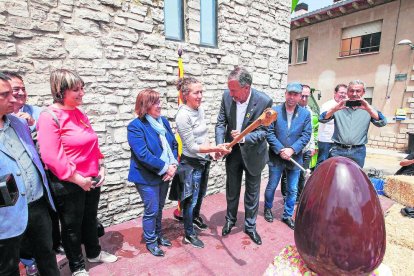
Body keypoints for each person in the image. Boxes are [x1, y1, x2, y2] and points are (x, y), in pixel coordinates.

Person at [37, 69, 117, 276]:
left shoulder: (79, 112)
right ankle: (77, 266)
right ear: (60, 91)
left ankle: (93, 252)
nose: (82, 93)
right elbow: (52, 156)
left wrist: (101, 166)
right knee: (71, 226)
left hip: (90, 177)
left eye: (82, 88)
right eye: (76, 90)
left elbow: (91, 143)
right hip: (68, 181)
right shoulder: (49, 116)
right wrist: (78, 179)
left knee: (90, 218)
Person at [0, 73, 59, 276]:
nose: (14, 99)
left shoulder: (18, 123)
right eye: (5, 94)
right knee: (8, 268)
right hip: (6, 216)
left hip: (37, 204)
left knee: (47, 255)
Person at [215, 66, 272, 245]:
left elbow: (264, 132)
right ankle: (230, 220)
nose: (230, 94)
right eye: (229, 89)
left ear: (246, 88)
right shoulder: (226, 96)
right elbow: (220, 122)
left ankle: (250, 226)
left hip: (254, 153)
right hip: (233, 153)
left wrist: (244, 137)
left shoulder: (264, 101)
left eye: (234, 90)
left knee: (252, 193)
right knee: (232, 190)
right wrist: (220, 144)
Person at [172, 77, 230, 249]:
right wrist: (213, 149)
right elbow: (191, 146)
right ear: (185, 95)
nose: (200, 96)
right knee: (190, 200)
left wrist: (213, 152)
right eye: (196, 92)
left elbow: (203, 138)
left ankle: (195, 219)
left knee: (201, 195)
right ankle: (189, 234)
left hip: (203, 162)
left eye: (201, 92)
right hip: (191, 165)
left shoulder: (200, 110)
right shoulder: (183, 115)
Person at [127, 89, 178, 257]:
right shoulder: (136, 126)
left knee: (160, 207)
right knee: (152, 209)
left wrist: (173, 165)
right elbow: (143, 155)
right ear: (145, 106)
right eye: (155, 102)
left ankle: (158, 235)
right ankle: (151, 242)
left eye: (159, 101)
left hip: (166, 173)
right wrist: (166, 168)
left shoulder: (162, 121)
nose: (160, 105)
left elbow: (173, 144)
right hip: (146, 176)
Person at [264, 82, 311, 230]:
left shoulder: (305, 114)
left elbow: (306, 135)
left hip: (294, 158)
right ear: (285, 94)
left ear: (299, 96)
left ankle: (287, 215)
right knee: (272, 186)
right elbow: (269, 132)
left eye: (295, 94)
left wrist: (292, 149)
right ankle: (267, 208)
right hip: (276, 158)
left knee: (292, 189)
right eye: (289, 93)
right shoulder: (275, 111)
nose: (292, 97)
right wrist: (280, 149)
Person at [319, 80, 387, 168]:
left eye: (358, 91)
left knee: (355, 179)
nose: (354, 94)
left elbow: (382, 122)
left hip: (358, 151)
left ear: (363, 92)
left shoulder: (369, 109)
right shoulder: (339, 107)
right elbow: (322, 119)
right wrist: (334, 109)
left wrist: (368, 109)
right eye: (351, 91)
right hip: (338, 150)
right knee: (335, 177)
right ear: (347, 92)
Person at [316, 84, 347, 167]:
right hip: (326, 140)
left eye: (345, 93)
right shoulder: (327, 105)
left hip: (339, 141)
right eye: (341, 92)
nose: (343, 95)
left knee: (335, 165)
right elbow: (323, 120)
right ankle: (319, 179)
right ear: (335, 92)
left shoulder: (346, 107)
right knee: (322, 163)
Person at [297, 84, 316, 196]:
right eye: (302, 96)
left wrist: (312, 146)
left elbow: (311, 131)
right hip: (295, 149)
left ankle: (300, 197)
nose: (304, 99)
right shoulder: (293, 110)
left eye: (306, 96)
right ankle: (287, 197)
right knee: (289, 175)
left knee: (304, 173)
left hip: (307, 149)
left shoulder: (309, 111)